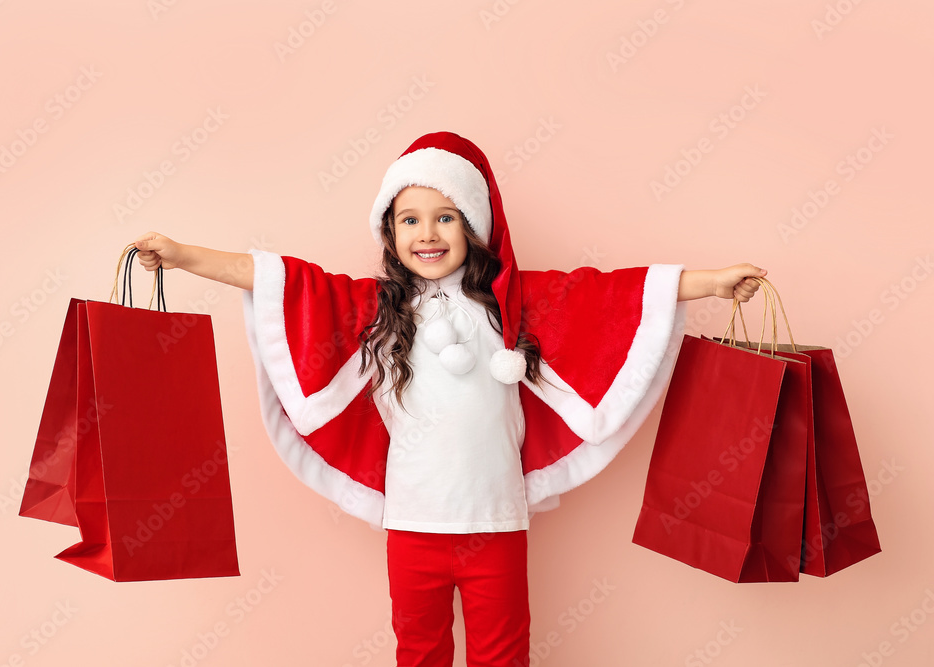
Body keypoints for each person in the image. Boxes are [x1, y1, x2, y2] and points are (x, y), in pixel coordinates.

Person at [132, 131, 765, 667]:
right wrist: (184, 256)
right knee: (419, 651)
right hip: (412, 525)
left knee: (502, 653)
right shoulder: (376, 310)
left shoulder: (514, 305)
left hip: (495, 519)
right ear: (389, 230)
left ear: (473, 226)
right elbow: (283, 280)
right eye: (409, 219)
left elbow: (611, 296)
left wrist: (711, 282)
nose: (427, 234)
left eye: (445, 217)